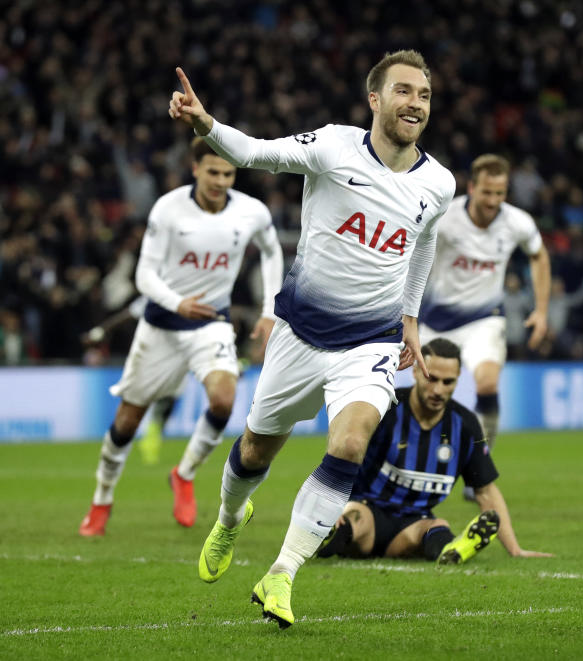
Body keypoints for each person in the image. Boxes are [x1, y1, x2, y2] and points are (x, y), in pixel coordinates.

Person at [168, 50, 455, 629]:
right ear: (374, 98)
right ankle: (228, 519)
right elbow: (254, 152)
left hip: (369, 344)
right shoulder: (332, 146)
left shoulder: (439, 183)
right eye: (403, 92)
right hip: (300, 335)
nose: (415, 104)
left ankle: (282, 573)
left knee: (349, 443)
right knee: (254, 450)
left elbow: (423, 244)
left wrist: (410, 316)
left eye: (423, 95)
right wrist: (205, 125)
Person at [79, 137, 284, 535]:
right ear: (195, 169)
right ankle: (102, 499)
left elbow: (273, 251)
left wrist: (269, 310)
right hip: (162, 326)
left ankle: (184, 474)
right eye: (212, 172)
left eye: (227, 173)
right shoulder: (169, 209)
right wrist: (177, 303)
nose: (220, 181)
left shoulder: (251, 212)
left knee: (224, 401)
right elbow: (144, 275)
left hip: (212, 323)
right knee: (127, 421)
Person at [315, 338, 553, 565]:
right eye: (432, 378)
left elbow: (486, 491)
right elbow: (343, 450)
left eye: (448, 382)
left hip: (414, 523)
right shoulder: (385, 406)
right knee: (354, 520)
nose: (439, 390)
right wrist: (331, 505)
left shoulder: (465, 425)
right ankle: (330, 533)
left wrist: (515, 549)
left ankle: (453, 550)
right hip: (368, 508)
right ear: (416, 371)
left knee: (437, 526)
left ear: (458, 380)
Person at [419, 154, 550, 498]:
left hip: (483, 320)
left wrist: (542, 310)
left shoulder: (517, 223)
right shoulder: (445, 217)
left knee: (488, 383)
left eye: (500, 193)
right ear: (472, 187)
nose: (493, 202)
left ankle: (480, 466)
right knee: (427, 394)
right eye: (487, 193)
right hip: (434, 323)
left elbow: (539, 254)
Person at [81, 295, 183, 465]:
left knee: (169, 399)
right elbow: (128, 314)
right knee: (144, 399)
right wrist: (100, 331)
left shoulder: (189, 293)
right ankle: (137, 438)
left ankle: (152, 435)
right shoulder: (157, 294)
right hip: (154, 354)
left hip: (179, 356)